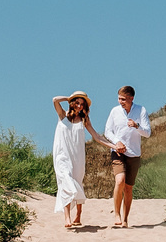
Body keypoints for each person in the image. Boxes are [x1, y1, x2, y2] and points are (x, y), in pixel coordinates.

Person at [48, 92, 98, 229]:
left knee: (77, 182)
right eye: (77, 102)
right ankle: (67, 217)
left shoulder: (84, 119)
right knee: (65, 180)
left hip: (77, 156)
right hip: (62, 155)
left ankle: (79, 214)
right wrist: (68, 98)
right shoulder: (62, 115)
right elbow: (54, 99)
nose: (79, 106)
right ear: (72, 103)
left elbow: (96, 136)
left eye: (82, 104)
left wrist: (113, 145)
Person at [102, 84, 150, 228]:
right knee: (119, 181)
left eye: (123, 99)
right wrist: (117, 142)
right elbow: (107, 131)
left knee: (128, 188)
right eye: (119, 98)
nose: (120, 101)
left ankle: (125, 219)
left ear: (131, 98)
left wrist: (137, 126)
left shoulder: (141, 110)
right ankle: (117, 214)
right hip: (118, 152)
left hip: (134, 154)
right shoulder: (115, 111)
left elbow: (147, 133)